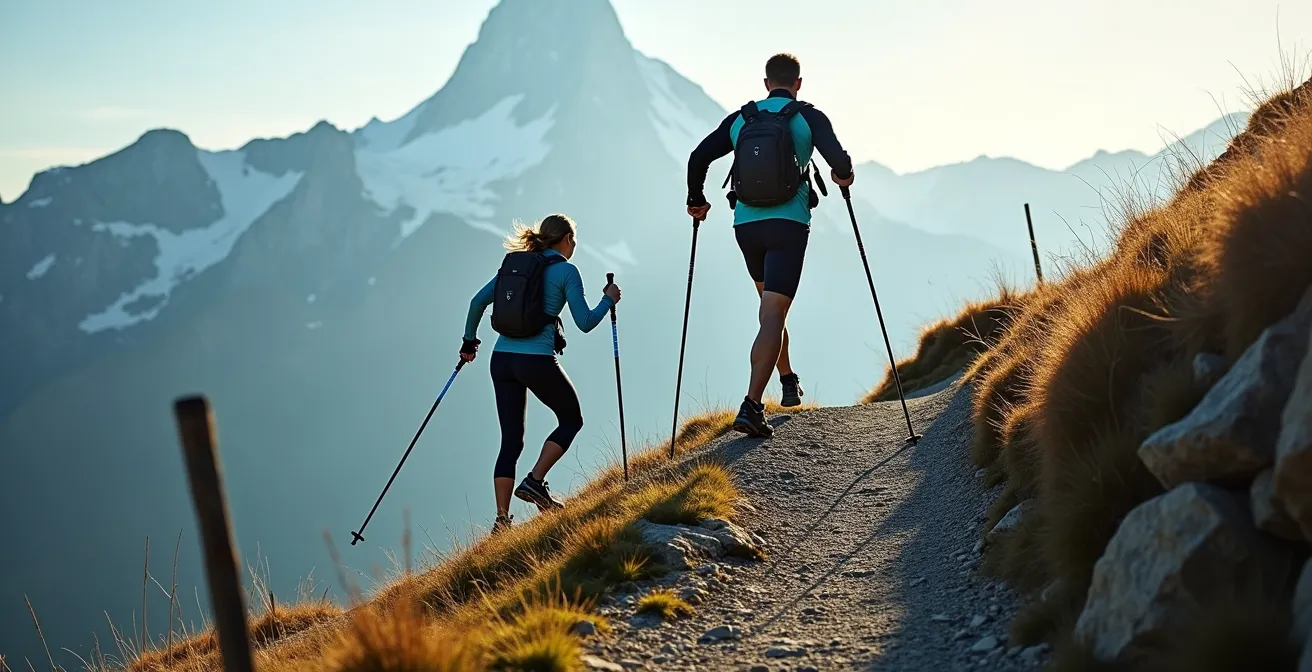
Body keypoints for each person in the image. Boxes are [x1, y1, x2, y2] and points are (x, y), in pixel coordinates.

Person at [685, 52, 854, 438]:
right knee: (774, 310)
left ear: (765, 84)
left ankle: (788, 378)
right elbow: (839, 161)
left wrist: (697, 200)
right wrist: (843, 176)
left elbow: (698, 157)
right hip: (788, 224)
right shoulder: (807, 116)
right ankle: (752, 405)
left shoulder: (742, 118)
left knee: (769, 308)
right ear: (798, 83)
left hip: (746, 226)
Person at [460, 214, 621, 533]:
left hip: (501, 359)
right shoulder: (566, 271)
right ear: (565, 240)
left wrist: (469, 342)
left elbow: (477, 302)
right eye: (573, 240)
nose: (574, 246)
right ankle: (535, 481)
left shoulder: (516, 268)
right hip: (535, 360)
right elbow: (586, 322)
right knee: (571, 419)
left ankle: (502, 521)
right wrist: (608, 300)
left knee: (510, 441)